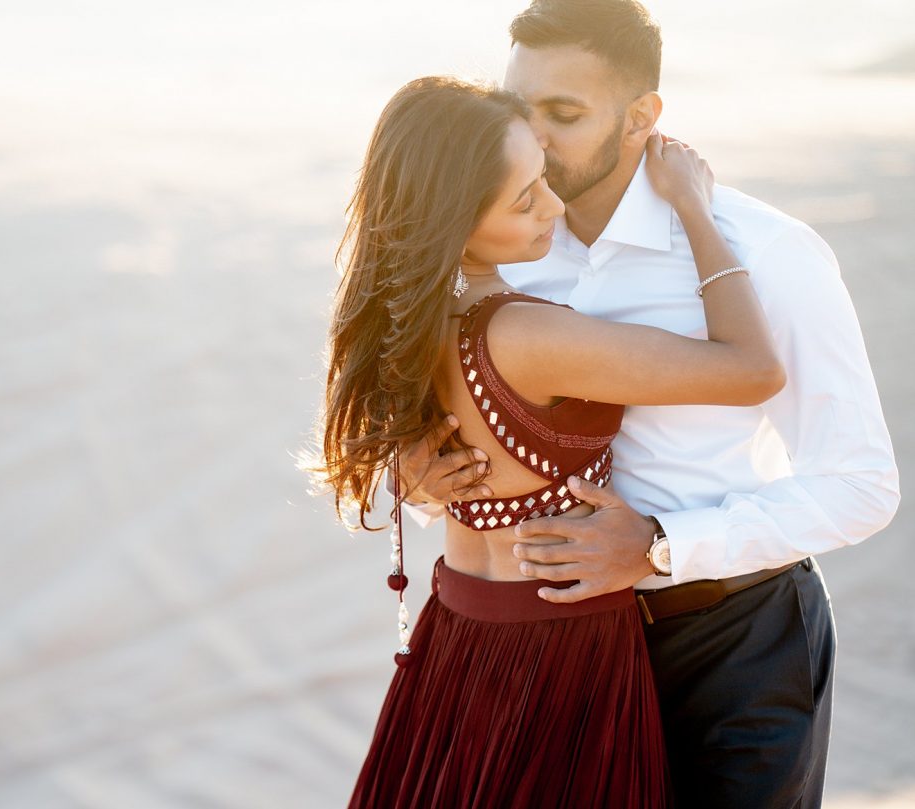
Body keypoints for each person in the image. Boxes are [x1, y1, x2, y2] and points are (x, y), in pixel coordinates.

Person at [396, 2, 901, 807]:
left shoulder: (768, 254)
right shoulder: (504, 247)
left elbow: (863, 485)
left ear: (642, 117)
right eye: (517, 106)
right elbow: (459, 439)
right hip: (563, 650)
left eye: (563, 114)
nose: (533, 136)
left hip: (736, 645)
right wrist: (422, 478)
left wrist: (663, 547)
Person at [313, 71, 787, 808]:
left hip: (457, 641)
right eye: (524, 198)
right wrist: (695, 208)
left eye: (543, 179)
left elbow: (423, 467)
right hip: (556, 653)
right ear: (454, 220)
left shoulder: (405, 327)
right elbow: (753, 368)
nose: (554, 207)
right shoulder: (529, 334)